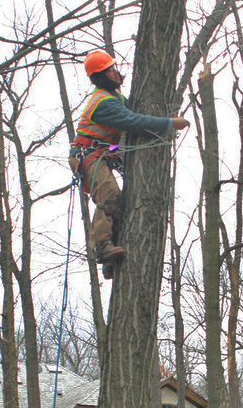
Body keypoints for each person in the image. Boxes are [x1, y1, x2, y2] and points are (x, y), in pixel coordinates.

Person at [69, 49, 190, 279]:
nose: (115, 72)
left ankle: (111, 256)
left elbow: (131, 114)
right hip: (88, 154)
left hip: (102, 152)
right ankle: (103, 247)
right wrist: (169, 123)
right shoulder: (103, 103)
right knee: (109, 193)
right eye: (110, 70)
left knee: (120, 201)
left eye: (114, 68)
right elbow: (134, 121)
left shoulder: (114, 96)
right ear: (101, 77)